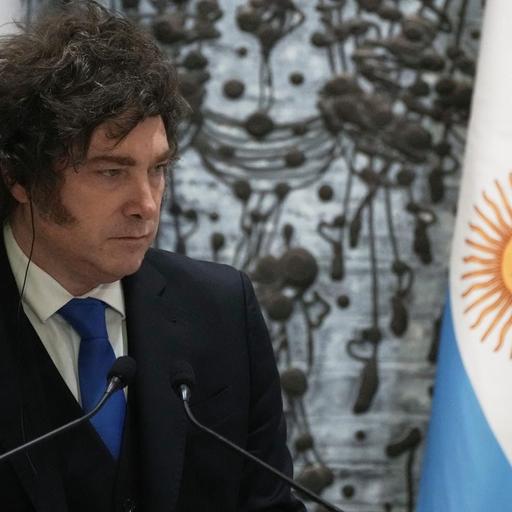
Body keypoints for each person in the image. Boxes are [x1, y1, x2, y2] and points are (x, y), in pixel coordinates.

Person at [0, 2, 305, 511]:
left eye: (158, 169)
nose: (146, 204)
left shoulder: (222, 311)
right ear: (21, 178)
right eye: (111, 172)